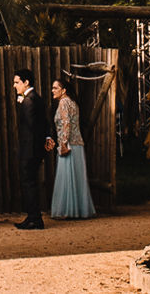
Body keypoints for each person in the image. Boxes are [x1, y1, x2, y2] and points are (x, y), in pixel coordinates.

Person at [48, 77, 94, 219]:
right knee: (77, 178)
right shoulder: (73, 103)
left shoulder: (63, 102)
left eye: (55, 88)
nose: (52, 90)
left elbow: (66, 124)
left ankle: (66, 210)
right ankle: (79, 210)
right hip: (78, 145)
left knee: (66, 178)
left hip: (68, 145)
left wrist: (63, 143)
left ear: (64, 90)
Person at [11, 69, 46, 230]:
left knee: (28, 183)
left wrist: (31, 151)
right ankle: (33, 217)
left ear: (26, 82)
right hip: (33, 150)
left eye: (17, 82)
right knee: (30, 183)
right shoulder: (36, 98)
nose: (14, 85)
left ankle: (34, 219)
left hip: (29, 150)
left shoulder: (29, 100)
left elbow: (33, 128)